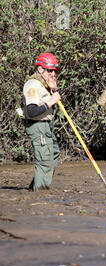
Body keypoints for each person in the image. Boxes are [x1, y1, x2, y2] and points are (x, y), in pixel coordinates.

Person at [18, 52, 61, 191]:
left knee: (54, 153)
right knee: (44, 160)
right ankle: (40, 193)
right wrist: (50, 102)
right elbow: (31, 111)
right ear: (40, 69)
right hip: (37, 125)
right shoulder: (32, 85)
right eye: (49, 70)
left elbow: (53, 98)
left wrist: (54, 89)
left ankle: (35, 187)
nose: (53, 73)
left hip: (46, 125)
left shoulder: (44, 84)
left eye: (54, 70)